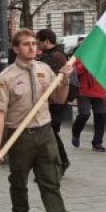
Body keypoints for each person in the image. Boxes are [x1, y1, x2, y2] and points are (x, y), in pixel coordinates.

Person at [0, 29, 80, 212]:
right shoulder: (5, 78)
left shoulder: (46, 70)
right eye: (26, 44)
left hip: (45, 132)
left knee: (50, 180)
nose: (32, 47)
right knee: (19, 181)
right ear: (15, 48)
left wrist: (65, 80)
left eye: (33, 43)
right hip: (19, 135)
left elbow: (59, 100)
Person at [35, 29, 71, 173]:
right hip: (52, 101)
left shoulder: (55, 56)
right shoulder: (52, 55)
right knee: (50, 133)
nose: (37, 44)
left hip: (55, 101)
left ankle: (62, 162)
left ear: (46, 41)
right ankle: (57, 162)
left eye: (38, 41)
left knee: (51, 133)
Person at [71, 58, 106, 152]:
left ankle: (97, 143)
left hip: (100, 91)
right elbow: (75, 71)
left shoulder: (105, 55)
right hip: (84, 91)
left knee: (101, 117)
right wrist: (86, 64)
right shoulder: (82, 54)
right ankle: (76, 132)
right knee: (84, 114)